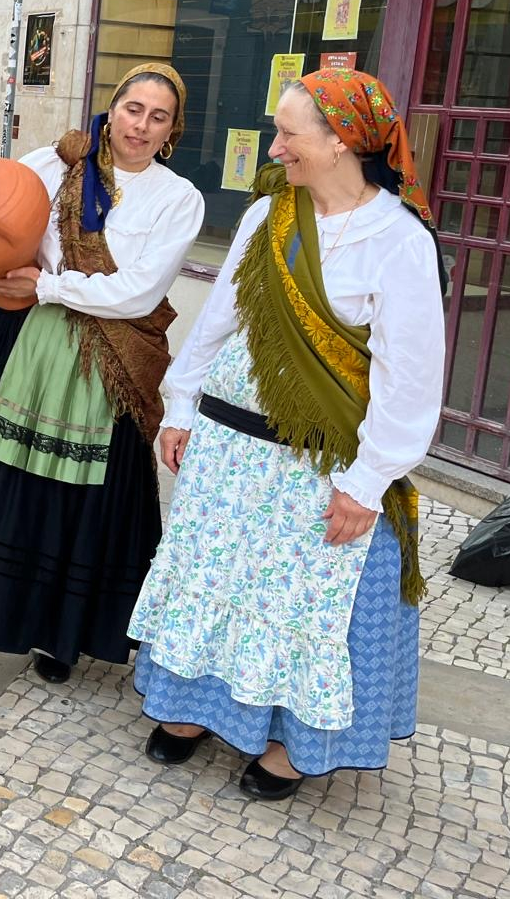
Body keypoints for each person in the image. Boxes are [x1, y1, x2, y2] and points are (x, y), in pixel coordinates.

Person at [129, 69, 446, 801]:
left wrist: (367, 482)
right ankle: (191, 712)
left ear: (340, 143)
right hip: (229, 453)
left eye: (289, 134)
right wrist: (181, 405)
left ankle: (291, 745)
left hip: (316, 468)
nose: (276, 148)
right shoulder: (269, 217)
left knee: (298, 605)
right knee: (213, 581)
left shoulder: (399, 243)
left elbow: (410, 379)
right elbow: (218, 319)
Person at [0, 64, 204, 686]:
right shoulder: (58, 163)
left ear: (172, 131)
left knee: (82, 496)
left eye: (158, 117)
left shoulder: (180, 199)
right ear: (112, 108)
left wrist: (51, 284)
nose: (140, 126)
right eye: (133, 109)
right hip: (21, 340)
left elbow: (139, 293)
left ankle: (60, 633)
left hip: (109, 356)